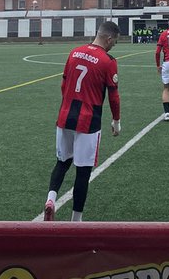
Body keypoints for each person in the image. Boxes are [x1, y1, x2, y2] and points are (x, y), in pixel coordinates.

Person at [43, 20, 121, 221]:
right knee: (83, 172)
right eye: (114, 42)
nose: (114, 46)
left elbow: (64, 84)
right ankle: (76, 220)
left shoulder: (74, 52)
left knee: (62, 162)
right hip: (88, 120)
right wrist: (116, 121)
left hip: (65, 115)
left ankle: (50, 199)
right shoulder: (108, 61)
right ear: (109, 38)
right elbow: (113, 96)